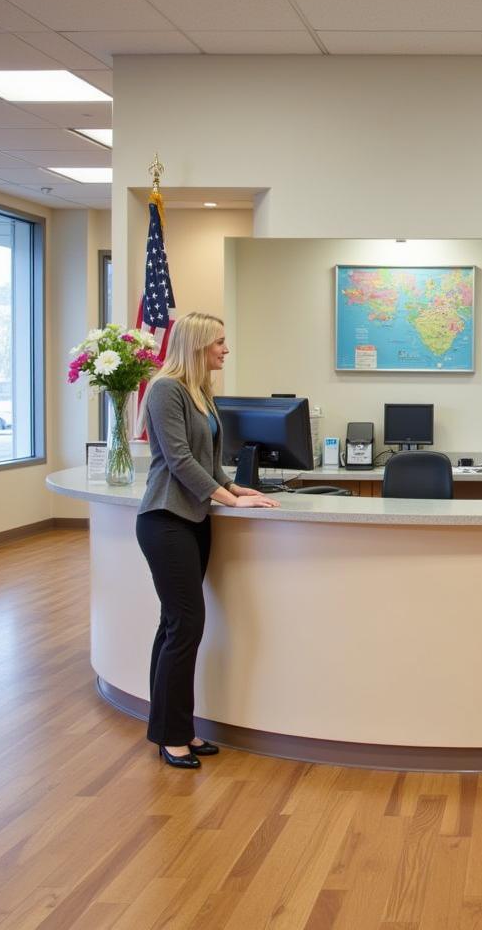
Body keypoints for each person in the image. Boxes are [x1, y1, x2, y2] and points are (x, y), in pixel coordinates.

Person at [136, 312, 278, 769]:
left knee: (174, 625)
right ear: (197, 345)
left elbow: (209, 461)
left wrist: (235, 489)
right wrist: (226, 499)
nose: (225, 349)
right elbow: (178, 460)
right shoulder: (165, 390)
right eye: (219, 342)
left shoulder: (202, 393)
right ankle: (173, 735)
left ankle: (170, 725)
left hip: (194, 519)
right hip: (165, 518)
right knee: (186, 626)